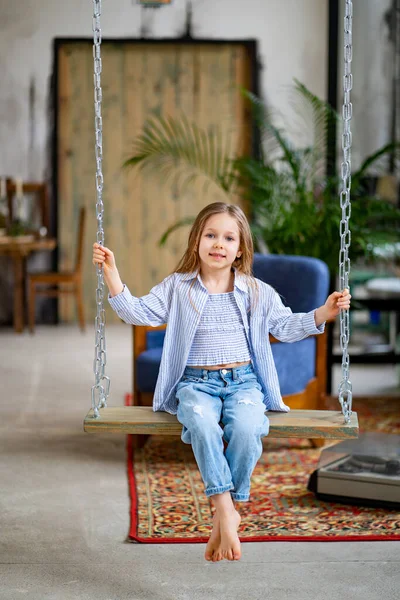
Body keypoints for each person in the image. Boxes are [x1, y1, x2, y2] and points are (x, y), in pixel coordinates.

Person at [92, 201, 351, 563]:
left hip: (244, 382)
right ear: (196, 240)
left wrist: (324, 313)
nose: (218, 243)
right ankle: (226, 509)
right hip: (196, 384)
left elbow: (287, 326)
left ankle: (225, 510)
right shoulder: (177, 288)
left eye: (228, 237)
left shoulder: (256, 291)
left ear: (240, 248)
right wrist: (112, 273)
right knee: (200, 423)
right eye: (210, 235)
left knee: (247, 429)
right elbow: (137, 311)